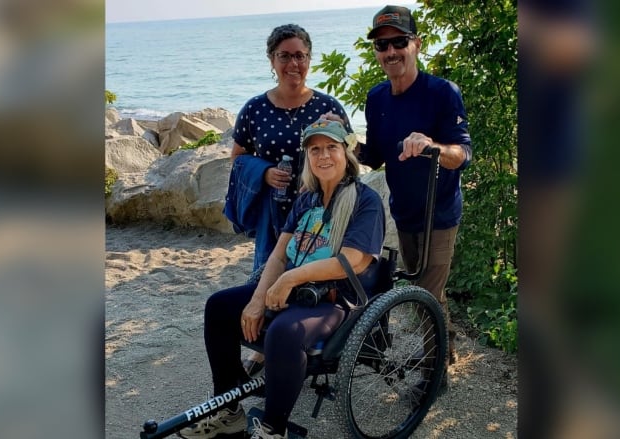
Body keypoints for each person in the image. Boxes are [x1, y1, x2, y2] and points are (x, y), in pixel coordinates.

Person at [180, 119, 385, 439]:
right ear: (308, 157)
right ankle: (229, 409)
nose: (323, 156)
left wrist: (290, 280)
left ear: (346, 152)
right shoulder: (306, 200)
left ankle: (273, 430)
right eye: (315, 149)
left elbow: (353, 260)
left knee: (283, 333)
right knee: (219, 307)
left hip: (336, 299)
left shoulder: (364, 200)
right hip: (292, 290)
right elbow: (277, 255)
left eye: (331, 147)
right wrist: (258, 299)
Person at [328, 5, 473, 373]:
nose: (390, 51)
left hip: (439, 213)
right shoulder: (377, 99)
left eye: (399, 42)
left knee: (424, 294)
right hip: (404, 213)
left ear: (416, 45)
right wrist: (340, 136)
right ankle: (447, 346)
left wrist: (431, 145)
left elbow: (462, 154)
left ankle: (433, 372)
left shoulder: (442, 93)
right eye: (382, 45)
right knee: (429, 292)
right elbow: (374, 157)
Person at [223, 23, 352, 376]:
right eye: (284, 56)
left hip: (319, 212)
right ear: (271, 60)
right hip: (275, 210)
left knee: (313, 275)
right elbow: (237, 157)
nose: (293, 63)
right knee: (268, 271)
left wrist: (338, 131)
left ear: (310, 59)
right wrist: (263, 173)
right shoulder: (254, 109)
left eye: (300, 55)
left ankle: (306, 339)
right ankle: (265, 347)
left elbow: (349, 158)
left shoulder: (328, 106)